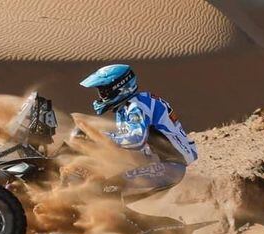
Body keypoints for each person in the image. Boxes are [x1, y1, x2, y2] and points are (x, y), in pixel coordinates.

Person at [78, 64, 198, 198]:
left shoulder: (136, 107)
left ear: (119, 88)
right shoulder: (129, 106)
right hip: (159, 164)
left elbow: (137, 140)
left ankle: (117, 218)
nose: (102, 96)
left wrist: (99, 137)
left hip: (169, 168)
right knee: (101, 179)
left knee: (108, 187)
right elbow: (128, 141)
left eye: (104, 91)